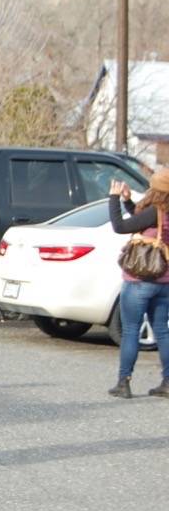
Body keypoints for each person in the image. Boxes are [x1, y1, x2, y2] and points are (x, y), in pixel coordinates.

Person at [107, 170, 169, 399]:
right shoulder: (161, 213)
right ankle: (167, 382)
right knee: (162, 331)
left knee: (131, 330)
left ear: (156, 189)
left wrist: (113, 198)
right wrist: (127, 200)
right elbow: (141, 220)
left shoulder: (155, 211)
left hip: (140, 281)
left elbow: (121, 227)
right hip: (165, 282)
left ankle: (124, 382)